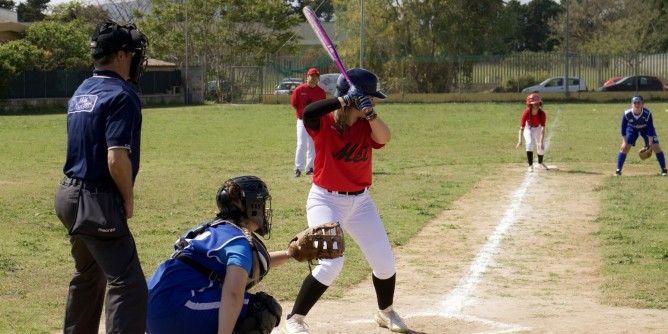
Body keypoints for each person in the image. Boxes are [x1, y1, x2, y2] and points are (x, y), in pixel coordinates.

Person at [282, 68, 409, 334]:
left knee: (385, 262)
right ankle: (295, 319)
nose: (372, 102)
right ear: (352, 97)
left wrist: (371, 113)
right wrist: (342, 100)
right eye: (369, 98)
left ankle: (385, 312)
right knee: (332, 261)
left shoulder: (366, 124)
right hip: (325, 200)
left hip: (361, 202)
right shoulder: (325, 123)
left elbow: (385, 137)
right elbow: (307, 114)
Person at [53, 20, 149, 333]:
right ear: (121, 55)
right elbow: (115, 157)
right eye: (133, 53)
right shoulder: (122, 95)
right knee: (129, 285)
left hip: (68, 195)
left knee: (89, 275)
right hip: (96, 201)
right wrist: (128, 197)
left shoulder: (83, 89)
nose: (136, 60)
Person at [146, 176, 290, 334]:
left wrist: (291, 253)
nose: (264, 210)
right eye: (262, 204)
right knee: (263, 310)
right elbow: (233, 294)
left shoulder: (210, 230)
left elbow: (249, 263)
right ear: (252, 207)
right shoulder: (239, 241)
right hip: (175, 310)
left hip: (150, 309)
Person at [615, 95, 667, 176]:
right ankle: (618, 171)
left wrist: (649, 145)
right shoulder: (627, 113)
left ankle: (664, 170)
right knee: (624, 148)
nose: (637, 104)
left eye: (639, 102)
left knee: (656, 147)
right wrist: (624, 142)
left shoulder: (647, 113)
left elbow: (650, 129)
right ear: (631, 104)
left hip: (645, 128)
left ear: (642, 104)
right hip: (632, 128)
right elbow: (623, 128)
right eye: (635, 103)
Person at [291, 68, 326, 177]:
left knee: (312, 144)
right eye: (312, 75)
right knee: (301, 143)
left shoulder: (321, 92)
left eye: (316, 76)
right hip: (302, 120)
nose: (314, 78)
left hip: (315, 121)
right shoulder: (299, 90)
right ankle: (298, 168)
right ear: (307, 76)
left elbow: (323, 107)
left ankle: (310, 168)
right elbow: (294, 104)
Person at [516, 93, 548, 172]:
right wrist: (520, 141)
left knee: (541, 147)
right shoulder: (526, 113)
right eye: (534, 104)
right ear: (529, 105)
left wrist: (540, 142)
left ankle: (540, 163)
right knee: (529, 143)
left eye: (538, 103)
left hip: (538, 128)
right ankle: (530, 166)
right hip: (528, 128)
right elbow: (521, 128)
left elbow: (543, 128)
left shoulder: (542, 114)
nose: (537, 105)